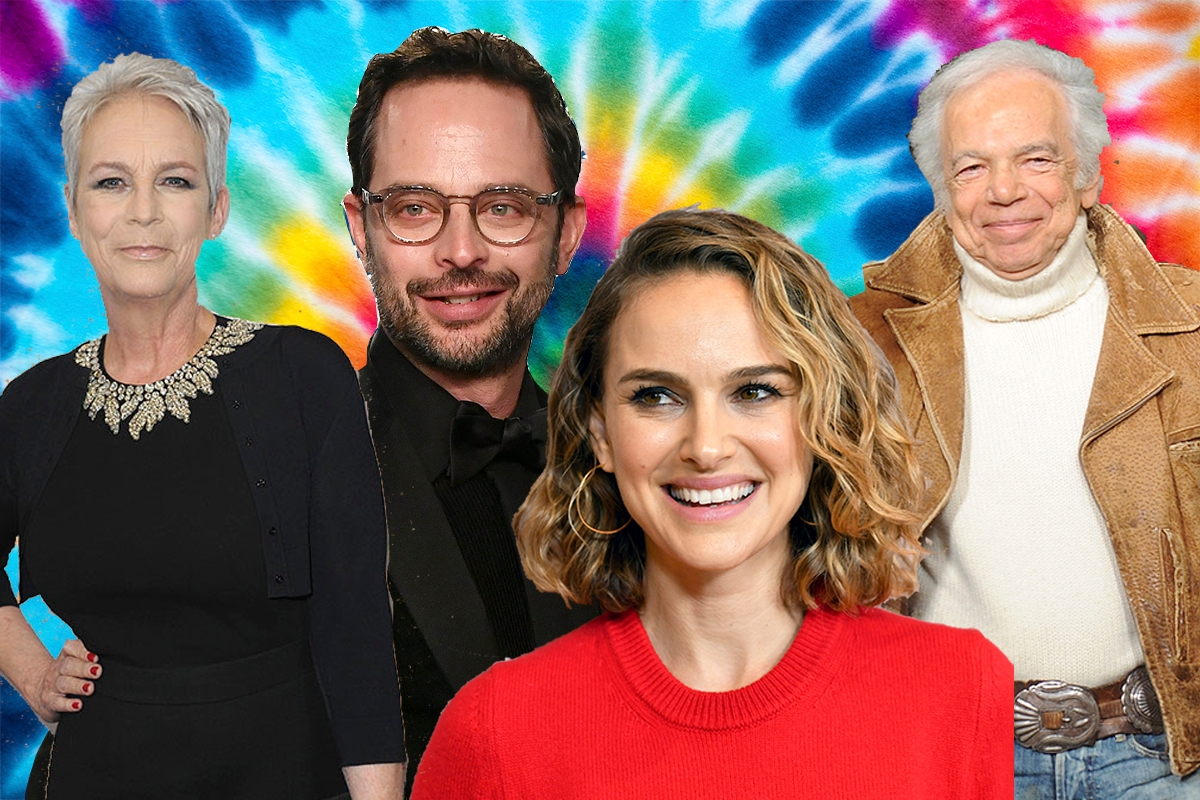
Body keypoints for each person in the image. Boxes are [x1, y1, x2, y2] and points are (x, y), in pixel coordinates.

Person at [411, 208, 1013, 798]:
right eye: (655, 396)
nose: (705, 446)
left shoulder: (960, 691)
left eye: (754, 391)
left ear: (822, 417)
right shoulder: (495, 733)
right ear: (600, 431)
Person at [0, 54, 405, 799]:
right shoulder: (31, 408)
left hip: (285, 773)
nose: (143, 212)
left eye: (176, 182)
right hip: (92, 776)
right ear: (73, 207)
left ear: (216, 208)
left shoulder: (302, 375)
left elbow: (356, 633)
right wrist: (30, 670)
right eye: (111, 182)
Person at [850, 39, 1200, 795]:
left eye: (1035, 159)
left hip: (1161, 757)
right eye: (971, 167)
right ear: (941, 187)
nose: (1003, 191)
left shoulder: (1192, 324)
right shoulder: (864, 339)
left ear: (1085, 174)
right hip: (952, 754)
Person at [341, 27, 597, 791]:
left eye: (504, 206)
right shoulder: (270, 466)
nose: (461, 251)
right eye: (415, 208)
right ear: (362, 229)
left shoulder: (638, 473)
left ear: (565, 236)